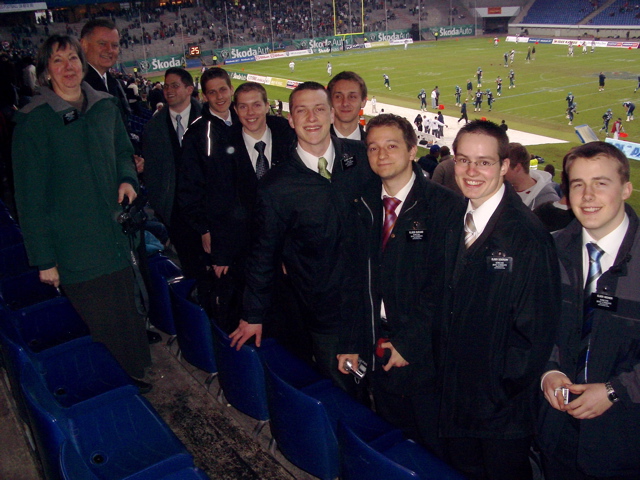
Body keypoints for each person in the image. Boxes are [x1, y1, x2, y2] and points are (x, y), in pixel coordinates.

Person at [12, 35, 151, 389]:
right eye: (58, 61)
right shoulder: (34, 121)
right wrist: (44, 259)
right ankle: (114, 389)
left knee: (126, 314)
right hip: (75, 247)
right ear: (45, 72)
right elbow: (29, 197)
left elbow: (123, 151)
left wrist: (126, 178)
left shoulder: (105, 106)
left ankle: (132, 378)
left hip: (116, 239)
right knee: (97, 324)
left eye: (72, 58)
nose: (68, 67)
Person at [229, 82, 374, 397]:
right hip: (327, 312)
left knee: (388, 393)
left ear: (332, 113)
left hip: (377, 302)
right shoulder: (275, 186)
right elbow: (263, 253)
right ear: (290, 119)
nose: (312, 117)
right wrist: (252, 314)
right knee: (347, 396)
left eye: (319, 108)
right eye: (301, 110)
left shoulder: (363, 159)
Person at [436, 120, 561, 479]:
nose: (472, 171)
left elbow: (535, 334)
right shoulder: (455, 218)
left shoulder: (528, 237)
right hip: (455, 397)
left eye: (484, 162)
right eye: (463, 160)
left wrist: (497, 392)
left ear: (505, 166)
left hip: (498, 413)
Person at [338, 114, 465, 454]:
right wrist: (353, 340)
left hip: (424, 354)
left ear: (412, 150)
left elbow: (444, 286)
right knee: (393, 438)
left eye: (391, 146)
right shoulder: (361, 202)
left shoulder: (446, 207)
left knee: (432, 445)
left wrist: (409, 343)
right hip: (376, 343)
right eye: (373, 147)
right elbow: (353, 280)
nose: (381, 155)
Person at [538, 141, 640, 479]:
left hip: (626, 441)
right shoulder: (551, 250)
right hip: (558, 437)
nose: (587, 195)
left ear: (626, 189)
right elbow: (537, 325)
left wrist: (615, 391)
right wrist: (549, 371)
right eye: (578, 184)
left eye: (601, 182)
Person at [178, 67, 240, 324]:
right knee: (226, 292)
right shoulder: (196, 134)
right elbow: (189, 188)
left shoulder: (246, 121)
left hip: (248, 224)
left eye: (223, 89)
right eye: (212, 92)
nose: (219, 96)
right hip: (219, 228)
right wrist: (204, 228)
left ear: (231, 89)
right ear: (204, 96)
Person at [142, 67, 205, 280]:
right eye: (166, 86)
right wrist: (163, 207)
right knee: (191, 267)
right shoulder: (153, 128)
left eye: (175, 85)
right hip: (176, 213)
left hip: (210, 209)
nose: (168, 90)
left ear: (189, 89)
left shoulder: (209, 119)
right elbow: (152, 174)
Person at [80, 19, 130, 125]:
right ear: (84, 44)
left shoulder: (114, 84)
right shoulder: (75, 87)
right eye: (102, 44)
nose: (109, 50)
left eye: (115, 45)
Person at [504, 142, 560, 210]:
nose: (499, 171)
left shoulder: (547, 200)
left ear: (517, 167)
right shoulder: (503, 190)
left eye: (503, 166)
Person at [328, 71, 367, 141]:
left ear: (363, 101)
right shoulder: (314, 143)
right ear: (330, 101)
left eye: (352, 97)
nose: (345, 103)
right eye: (338, 97)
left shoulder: (372, 145)